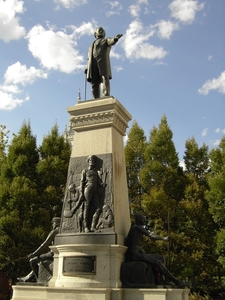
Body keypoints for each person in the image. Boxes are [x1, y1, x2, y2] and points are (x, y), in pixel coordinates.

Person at [125, 214, 186, 286]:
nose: (144, 220)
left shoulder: (137, 229)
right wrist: (164, 238)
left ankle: (161, 280)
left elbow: (137, 245)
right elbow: (151, 234)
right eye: (143, 219)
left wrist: (143, 252)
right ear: (138, 220)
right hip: (134, 255)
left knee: (161, 257)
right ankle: (176, 281)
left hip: (138, 253)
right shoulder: (136, 228)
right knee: (157, 262)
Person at [17, 217, 60, 283]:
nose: (52, 225)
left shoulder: (54, 232)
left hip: (52, 254)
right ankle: (27, 278)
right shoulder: (62, 232)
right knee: (40, 262)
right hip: (60, 254)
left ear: (57, 223)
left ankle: (39, 280)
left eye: (53, 223)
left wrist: (33, 254)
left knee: (32, 261)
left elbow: (44, 245)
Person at [86, 27, 122, 99]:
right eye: (99, 30)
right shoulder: (91, 45)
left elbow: (111, 41)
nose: (101, 31)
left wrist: (114, 39)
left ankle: (105, 95)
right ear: (95, 34)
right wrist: (87, 67)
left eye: (102, 31)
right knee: (94, 82)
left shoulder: (106, 40)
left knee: (104, 78)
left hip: (102, 62)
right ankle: (95, 97)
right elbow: (88, 57)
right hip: (93, 63)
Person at [79, 155, 103, 233]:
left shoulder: (96, 172)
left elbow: (98, 182)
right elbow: (82, 183)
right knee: (87, 207)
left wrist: (101, 184)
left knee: (98, 209)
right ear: (88, 162)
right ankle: (86, 227)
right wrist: (81, 193)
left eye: (93, 161)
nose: (92, 162)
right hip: (88, 189)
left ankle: (93, 226)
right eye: (90, 160)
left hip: (95, 190)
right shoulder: (85, 171)